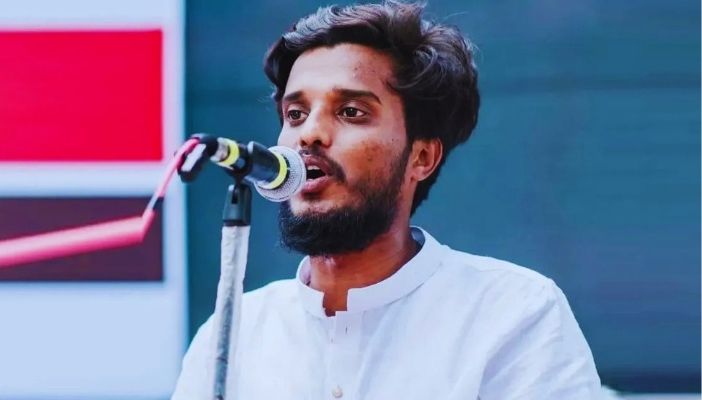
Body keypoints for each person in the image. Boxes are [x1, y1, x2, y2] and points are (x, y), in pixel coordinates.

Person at [172, 1, 602, 399]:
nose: (310, 134)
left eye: (351, 112)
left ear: (421, 157)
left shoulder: (513, 315)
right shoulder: (232, 334)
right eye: (295, 114)